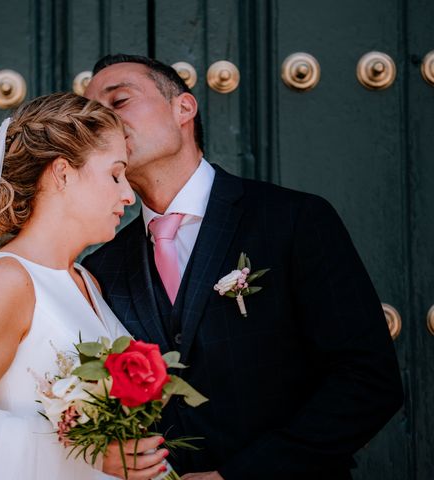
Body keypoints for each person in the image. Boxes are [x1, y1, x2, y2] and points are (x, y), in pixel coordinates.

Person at [82, 54, 404, 480]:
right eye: (90, 118)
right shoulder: (100, 267)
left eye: (118, 101)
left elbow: (368, 381)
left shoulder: (293, 219)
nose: (102, 122)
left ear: (184, 108)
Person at [0, 92, 168, 480]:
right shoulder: (7, 281)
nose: (128, 195)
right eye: (115, 174)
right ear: (63, 172)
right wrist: (91, 454)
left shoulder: (86, 281)